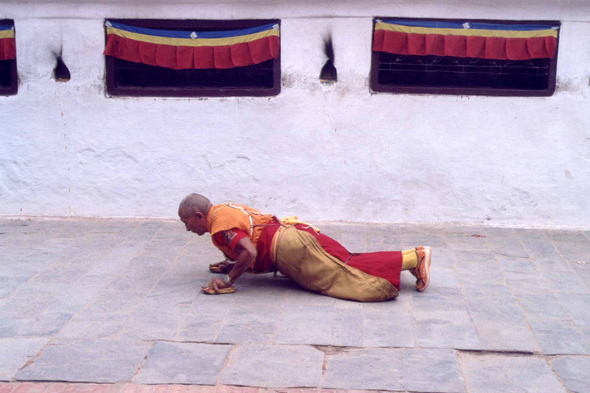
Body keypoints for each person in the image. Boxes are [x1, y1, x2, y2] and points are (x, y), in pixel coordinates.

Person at [178, 193, 432, 302]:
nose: (187, 229)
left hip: (289, 248)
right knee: (347, 258)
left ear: (199, 216)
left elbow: (250, 251)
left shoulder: (221, 226)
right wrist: (233, 262)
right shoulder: (224, 208)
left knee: (342, 273)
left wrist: (230, 279)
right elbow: (251, 238)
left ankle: (415, 259)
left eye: (186, 222)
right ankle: (413, 257)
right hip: (294, 232)